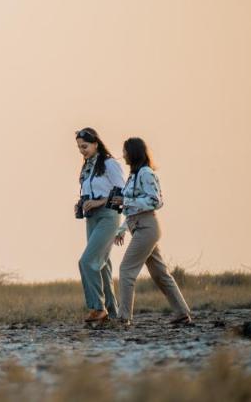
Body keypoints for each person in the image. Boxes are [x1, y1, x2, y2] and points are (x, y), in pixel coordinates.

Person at [113, 137, 193, 326]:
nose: (122, 155)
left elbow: (156, 201)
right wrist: (122, 229)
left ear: (132, 152)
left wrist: (127, 202)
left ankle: (124, 317)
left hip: (147, 227)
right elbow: (132, 208)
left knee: (126, 270)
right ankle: (182, 313)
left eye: (125, 151)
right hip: (137, 226)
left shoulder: (146, 173)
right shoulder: (133, 176)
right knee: (160, 274)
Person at [74, 127, 124, 326]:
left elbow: (121, 191)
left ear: (96, 143)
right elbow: (89, 191)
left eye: (84, 146)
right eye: (79, 148)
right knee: (102, 266)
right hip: (92, 218)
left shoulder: (110, 164)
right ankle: (113, 313)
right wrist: (82, 204)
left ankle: (97, 308)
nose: (82, 151)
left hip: (108, 216)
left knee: (87, 261)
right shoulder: (87, 166)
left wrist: (98, 202)